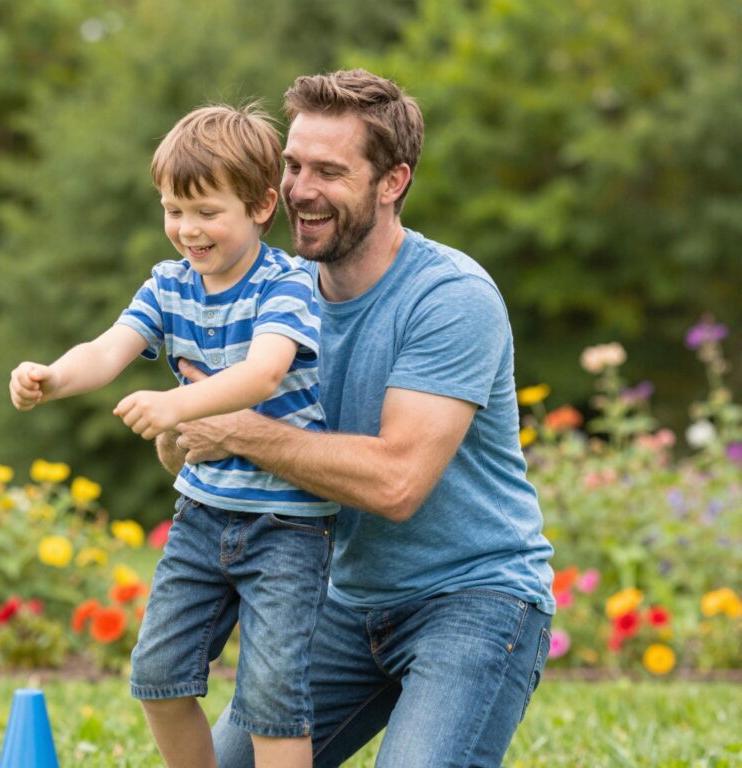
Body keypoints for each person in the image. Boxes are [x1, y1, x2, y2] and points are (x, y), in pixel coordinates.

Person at [158, 70, 556, 767]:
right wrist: (181, 430)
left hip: (471, 601)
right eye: (293, 165)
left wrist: (237, 429)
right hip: (344, 602)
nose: (299, 189)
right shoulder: (266, 298)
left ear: (392, 181)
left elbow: (397, 483)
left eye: (329, 171)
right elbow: (197, 447)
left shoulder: (449, 297)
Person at [9, 104, 338, 768]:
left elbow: (265, 373)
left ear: (260, 205)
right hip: (200, 516)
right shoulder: (170, 285)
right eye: (173, 210)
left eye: (206, 212)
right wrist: (52, 375)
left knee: (274, 697)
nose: (187, 229)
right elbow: (107, 351)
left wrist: (175, 404)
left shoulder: (288, 283)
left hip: (288, 526)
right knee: (158, 677)